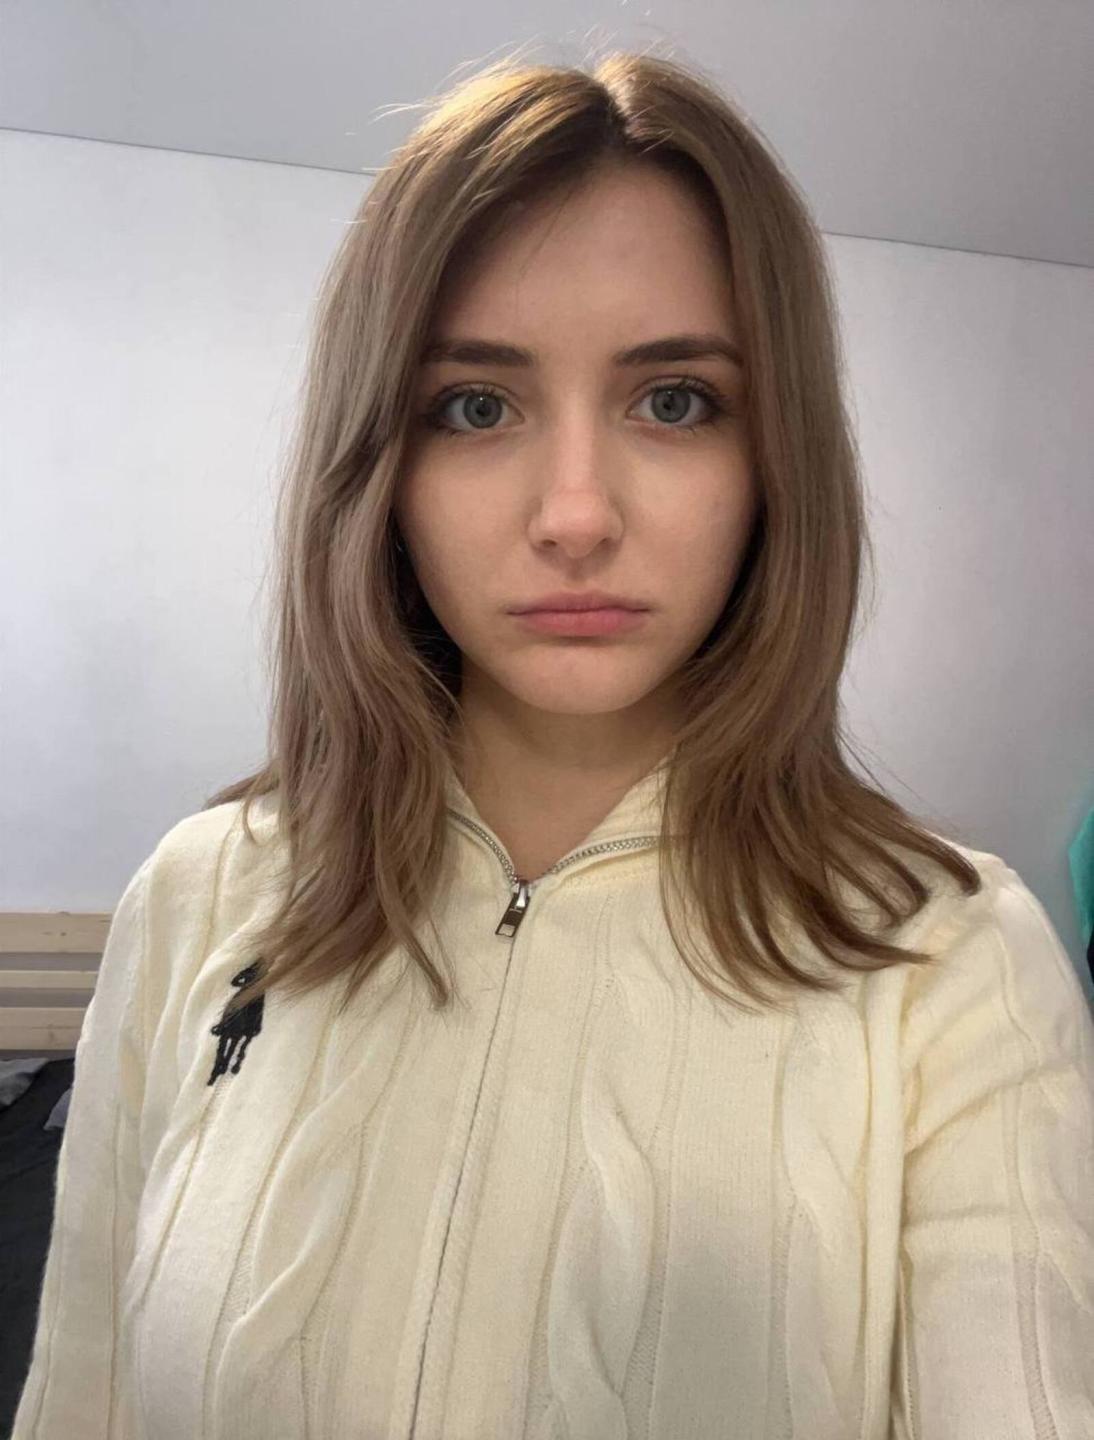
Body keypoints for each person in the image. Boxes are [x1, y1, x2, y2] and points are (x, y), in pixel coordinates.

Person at [14, 47, 1093, 1440]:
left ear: (775, 462)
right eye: (476, 407)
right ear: (379, 467)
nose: (575, 514)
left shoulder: (952, 961)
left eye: (674, 400)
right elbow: (80, 1396)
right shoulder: (198, 897)